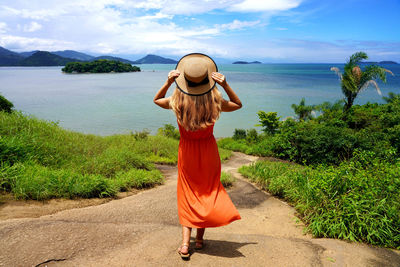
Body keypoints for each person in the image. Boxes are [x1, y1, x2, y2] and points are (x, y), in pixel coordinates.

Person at [153, 53, 242, 260]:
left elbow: (157, 100)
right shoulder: (215, 100)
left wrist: (167, 82)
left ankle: (186, 245)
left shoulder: (177, 100)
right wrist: (226, 85)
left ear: (184, 81)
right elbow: (237, 104)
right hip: (209, 152)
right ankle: (200, 241)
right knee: (206, 193)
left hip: (187, 152)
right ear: (208, 80)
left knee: (187, 195)